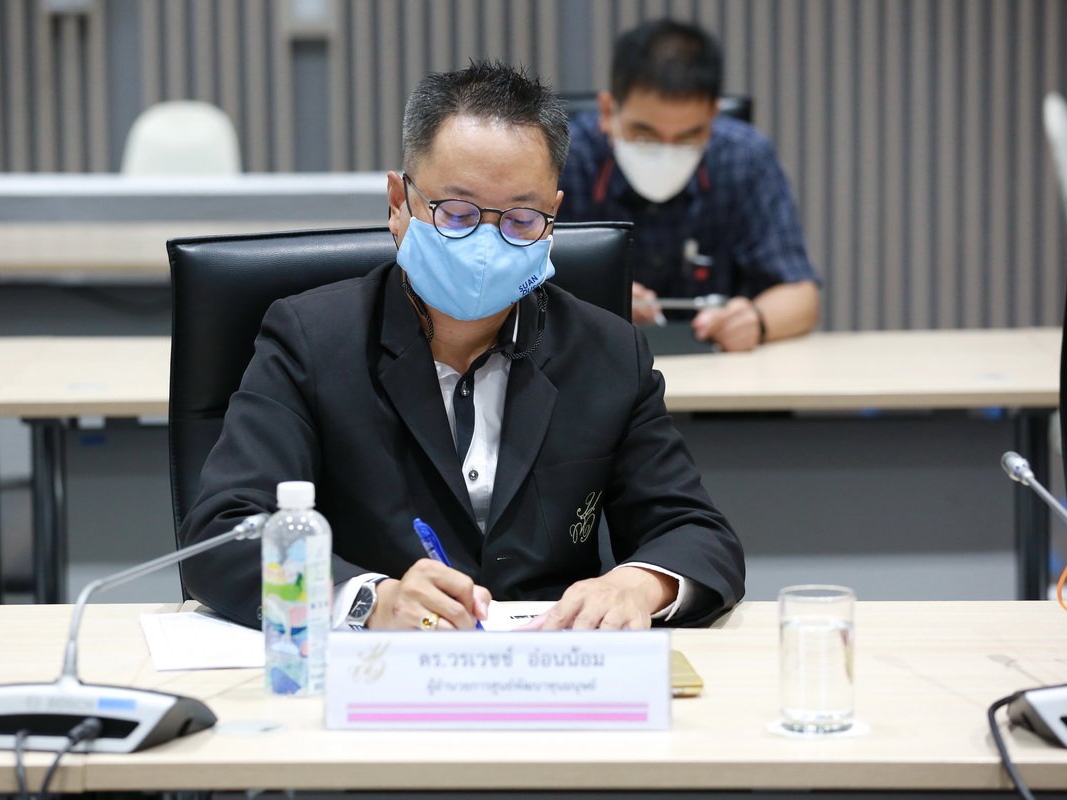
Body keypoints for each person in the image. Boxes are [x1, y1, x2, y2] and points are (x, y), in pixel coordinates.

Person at [178, 60, 744, 633]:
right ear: (398, 202)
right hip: (378, 665)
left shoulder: (608, 352)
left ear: (553, 217)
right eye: (456, 213)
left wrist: (637, 584)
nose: (485, 242)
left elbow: (697, 533)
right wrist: (368, 600)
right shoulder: (312, 340)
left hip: (548, 662)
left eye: (521, 218)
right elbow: (222, 535)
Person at [557, 18, 820, 351]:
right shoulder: (562, 158)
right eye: (645, 134)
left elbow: (800, 296)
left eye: (687, 136)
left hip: (718, 368)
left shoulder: (745, 157)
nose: (666, 153)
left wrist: (755, 320)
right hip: (595, 362)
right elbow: (515, 284)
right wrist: (594, 300)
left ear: (713, 117)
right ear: (608, 111)